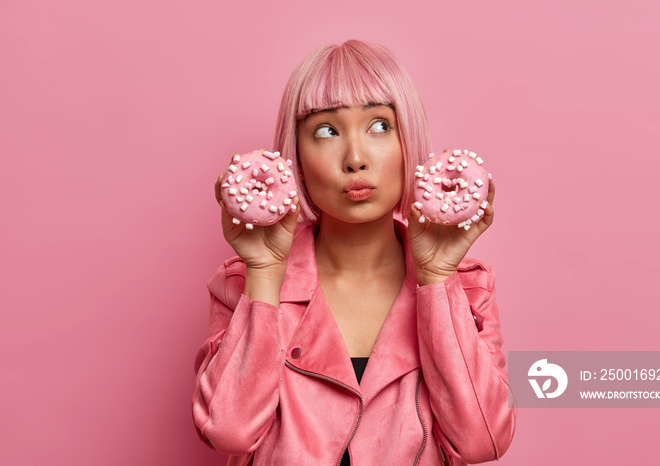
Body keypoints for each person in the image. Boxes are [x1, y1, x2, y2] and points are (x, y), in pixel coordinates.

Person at [192, 40, 516, 465]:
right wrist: (265, 274)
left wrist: (435, 279)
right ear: (298, 161)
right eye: (326, 130)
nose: (356, 158)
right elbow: (229, 433)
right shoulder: (242, 283)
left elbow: (482, 442)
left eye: (380, 125)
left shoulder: (470, 287)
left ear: (408, 142)